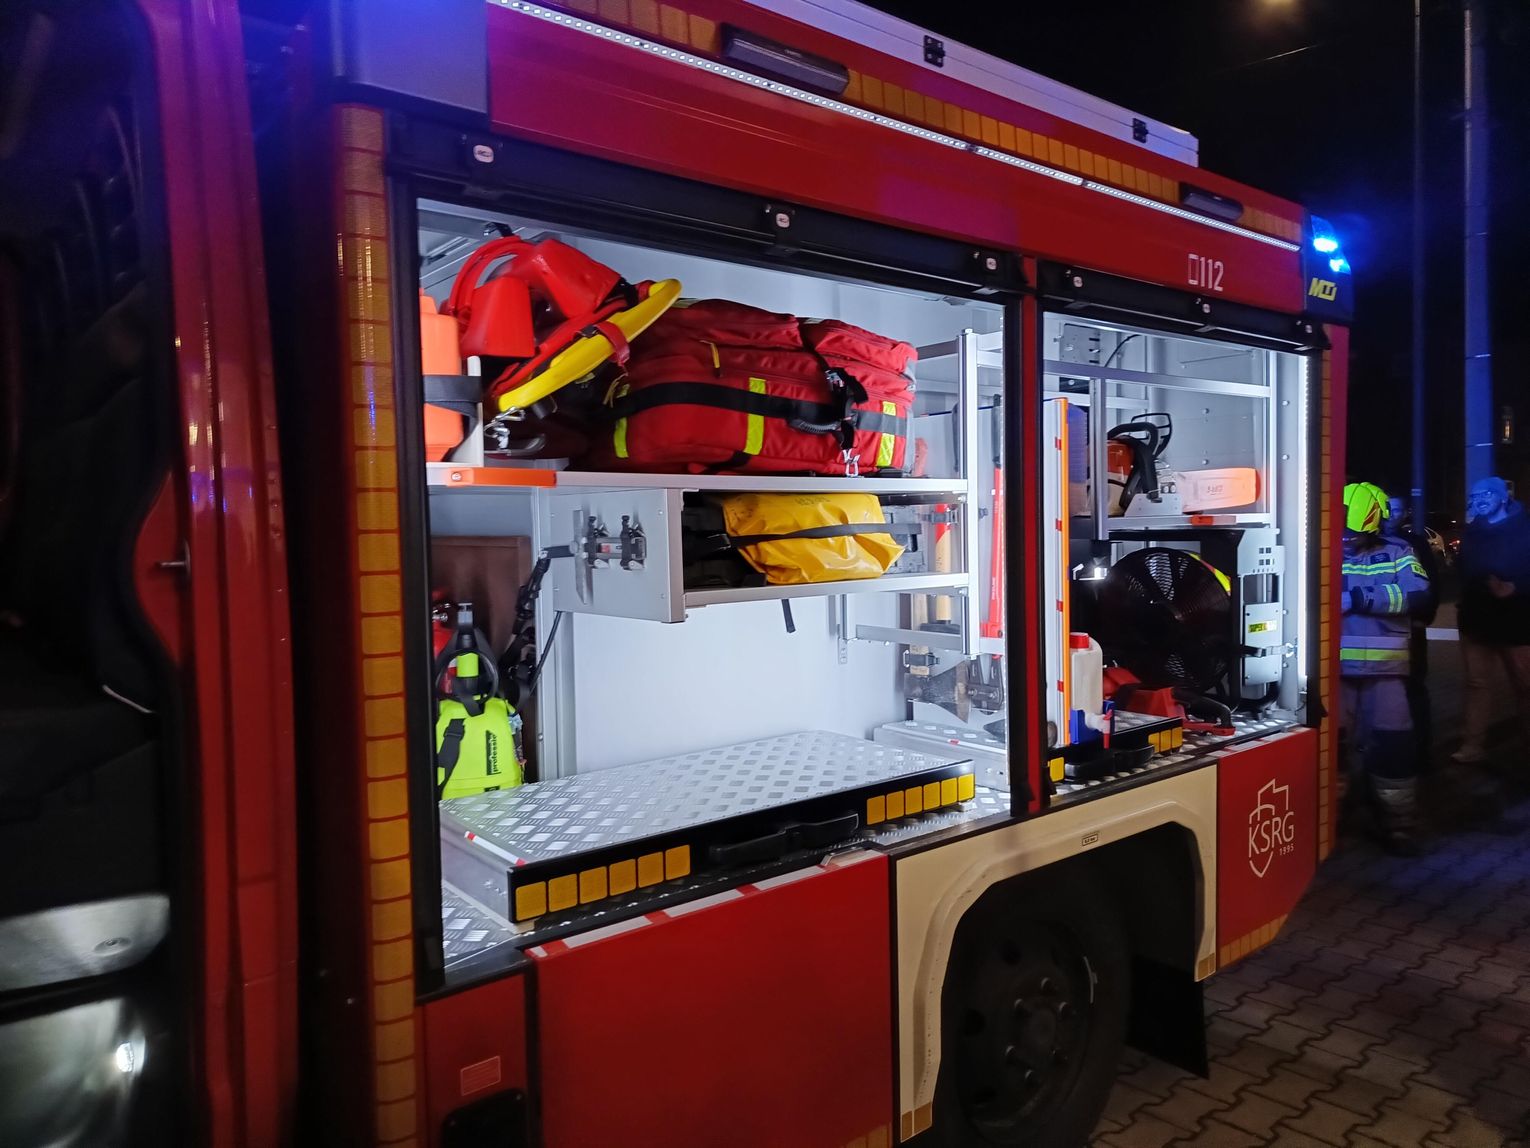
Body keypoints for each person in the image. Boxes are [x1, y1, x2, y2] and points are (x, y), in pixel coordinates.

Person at [1340, 482, 1432, 854]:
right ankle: (1331, 816)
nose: (1348, 541)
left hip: (1385, 673)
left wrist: (1360, 597)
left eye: (1355, 534)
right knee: (1333, 748)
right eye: (1344, 533)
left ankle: (1398, 824)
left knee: (1393, 747)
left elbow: (1418, 594)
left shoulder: (1399, 551)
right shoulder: (1323, 550)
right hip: (1336, 673)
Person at [1453, 476, 1530, 765]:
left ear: (1503, 497)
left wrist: (1515, 587)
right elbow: (1463, 570)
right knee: (1476, 684)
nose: (1478, 501)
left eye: (1485, 494)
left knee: (1525, 686)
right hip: (1477, 620)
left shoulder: (1525, 528)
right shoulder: (1473, 532)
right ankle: (1472, 744)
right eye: (1474, 497)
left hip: (1518, 621)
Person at [1384, 494, 1440, 773]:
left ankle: (1421, 753)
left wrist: (1421, 619)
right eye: (1387, 509)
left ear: (1404, 513)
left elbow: (1429, 584)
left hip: (1410, 629)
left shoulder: (1414, 543)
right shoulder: (1366, 542)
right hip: (1383, 632)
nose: (1391, 515)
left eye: (1396, 510)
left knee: (1414, 688)